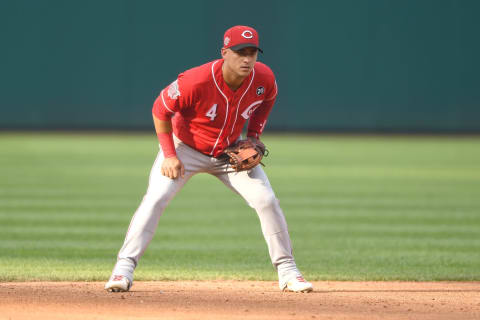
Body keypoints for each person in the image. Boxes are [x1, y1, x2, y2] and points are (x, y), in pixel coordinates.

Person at [105, 25, 313, 293]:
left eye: (252, 52)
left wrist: (254, 136)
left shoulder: (264, 78)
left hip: (230, 153)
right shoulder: (196, 80)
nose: (247, 59)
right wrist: (169, 154)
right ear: (224, 52)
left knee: (266, 200)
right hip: (185, 149)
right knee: (156, 197)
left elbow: (267, 100)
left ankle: (288, 270)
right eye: (240, 52)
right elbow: (160, 110)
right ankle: (123, 269)